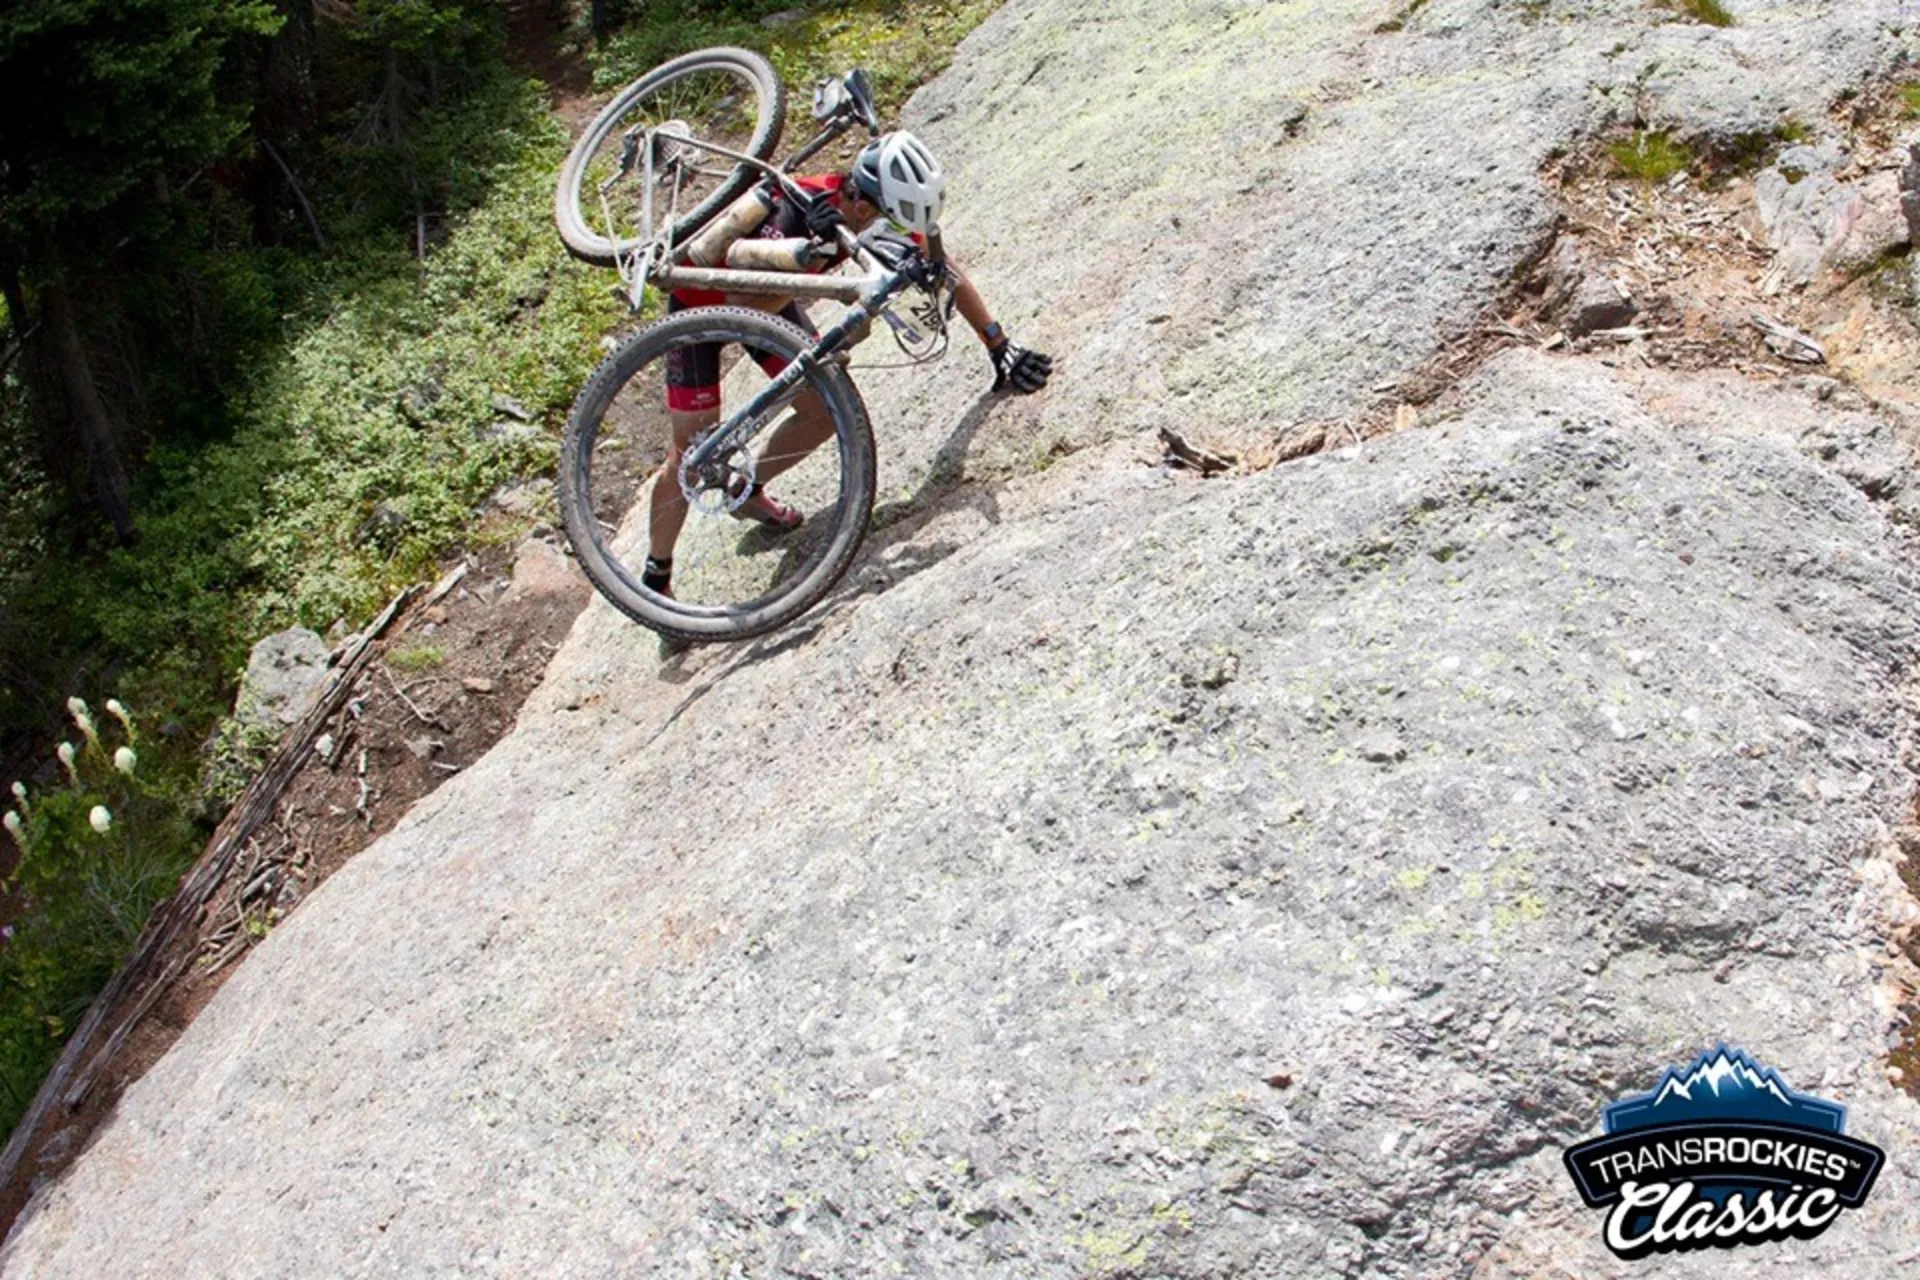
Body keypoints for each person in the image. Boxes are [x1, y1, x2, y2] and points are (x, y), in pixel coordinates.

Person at [642, 131, 1052, 599]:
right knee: (689, 456)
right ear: (862, 206)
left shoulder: (873, 207)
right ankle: (657, 578)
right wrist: (809, 260)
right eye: (889, 221)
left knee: (823, 412)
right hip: (701, 307)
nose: (896, 231)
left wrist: (999, 345)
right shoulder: (798, 209)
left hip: (769, 309)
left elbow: (942, 264)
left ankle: (747, 489)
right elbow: (740, 299)